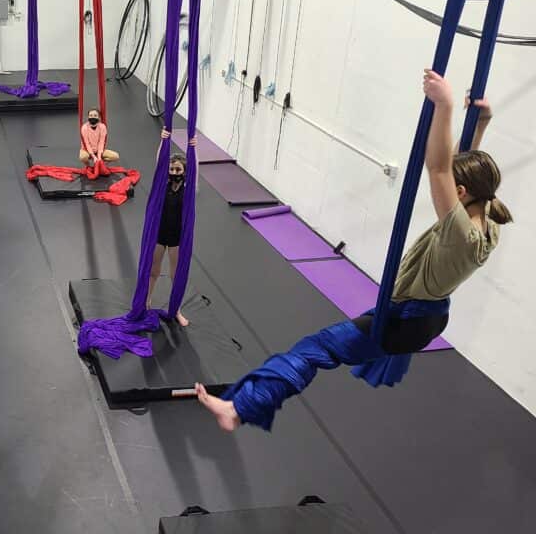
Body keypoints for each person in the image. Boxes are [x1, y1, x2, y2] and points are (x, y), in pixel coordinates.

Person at [195, 70, 509, 432]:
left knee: (315, 349)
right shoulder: (487, 217)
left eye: (454, 190)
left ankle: (239, 409)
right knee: (330, 345)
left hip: (406, 319)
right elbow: (458, 168)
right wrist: (481, 123)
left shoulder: (460, 235)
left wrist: (446, 105)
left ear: (462, 191)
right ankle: (243, 405)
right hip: (424, 316)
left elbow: (439, 167)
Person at [147, 129, 198, 326]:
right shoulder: (163, 185)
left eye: (178, 170)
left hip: (177, 237)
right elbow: (159, 163)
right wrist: (163, 141)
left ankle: (175, 309)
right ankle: (147, 301)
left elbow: (195, 170)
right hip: (160, 234)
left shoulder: (188, 189)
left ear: (184, 171)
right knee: (153, 271)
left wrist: (193, 149)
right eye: (172, 169)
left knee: (176, 275)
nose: (174, 172)